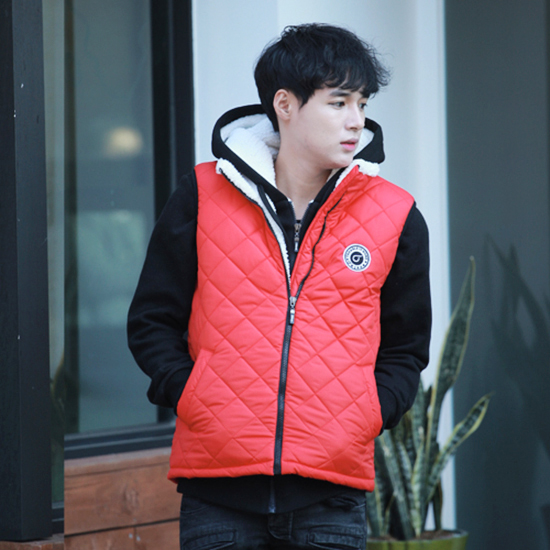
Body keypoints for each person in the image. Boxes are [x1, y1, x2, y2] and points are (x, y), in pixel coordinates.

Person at [127, 23, 431, 550]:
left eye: (362, 103)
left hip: (331, 500)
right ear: (285, 105)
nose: (356, 120)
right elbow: (152, 321)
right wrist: (195, 396)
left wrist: (366, 414)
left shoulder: (396, 215)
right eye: (338, 102)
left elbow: (406, 348)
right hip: (217, 499)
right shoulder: (202, 194)